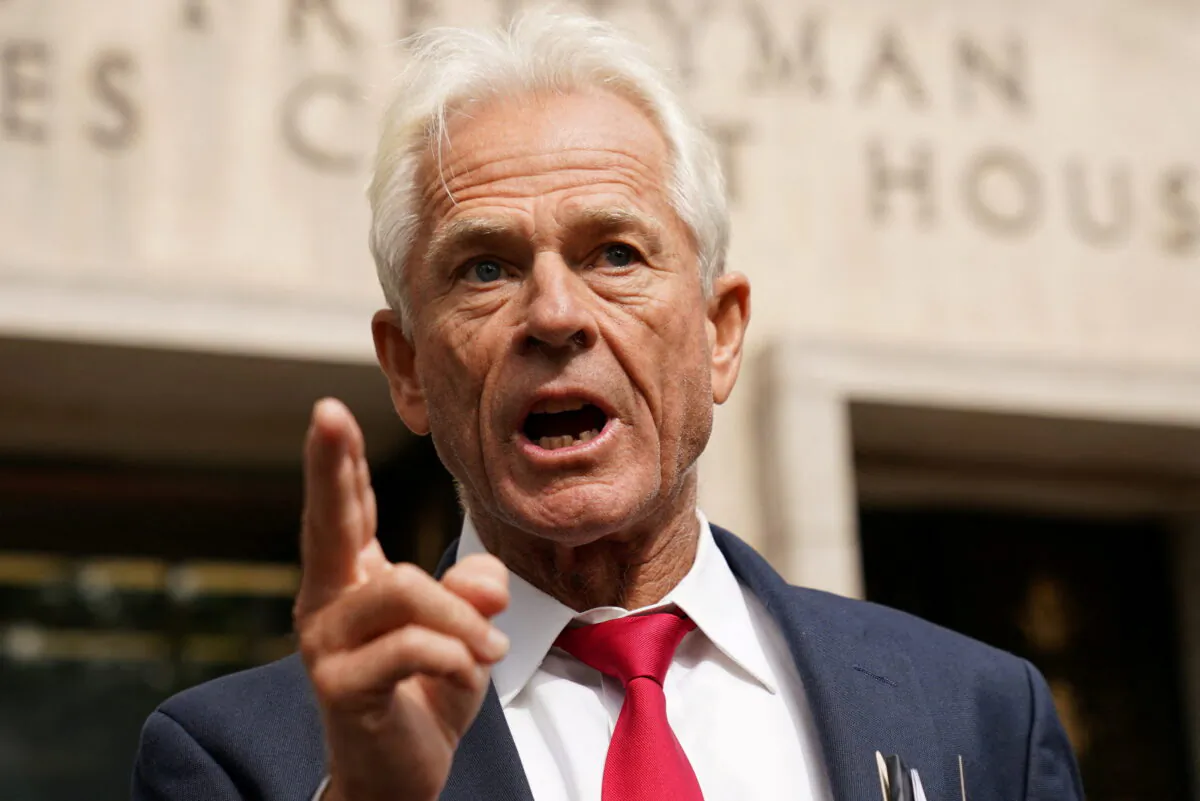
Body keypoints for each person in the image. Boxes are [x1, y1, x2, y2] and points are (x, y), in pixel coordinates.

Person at [131, 10, 1083, 801]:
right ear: (410, 368)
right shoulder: (237, 757)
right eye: (486, 267)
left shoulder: (979, 711)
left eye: (614, 254)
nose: (553, 313)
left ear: (718, 332)